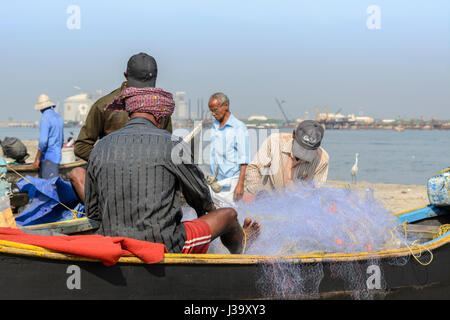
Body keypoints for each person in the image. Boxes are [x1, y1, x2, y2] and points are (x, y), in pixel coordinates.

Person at [84, 55, 260, 254]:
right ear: (160, 116)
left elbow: (92, 211)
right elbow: (201, 198)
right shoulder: (172, 145)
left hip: (112, 240)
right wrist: (206, 211)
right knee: (228, 215)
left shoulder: (100, 148)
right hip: (166, 243)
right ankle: (241, 248)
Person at [69, 52, 172, 203]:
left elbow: (167, 145)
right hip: (112, 176)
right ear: (125, 76)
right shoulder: (104, 106)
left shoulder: (160, 107)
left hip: (149, 177)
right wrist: (112, 159)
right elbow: (81, 146)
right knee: (77, 174)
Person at [244, 120, 329, 199]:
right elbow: (253, 168)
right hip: (263, 196)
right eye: (300, 148)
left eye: (308, 150)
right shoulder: (274, 141)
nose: (303, 153)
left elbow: (317, 191)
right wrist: (255, 191)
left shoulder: (322, 159)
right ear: (293, 134)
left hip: (296, 203)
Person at [207, 92, 249, 205]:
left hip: (231, 183)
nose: (213, 114)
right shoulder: (215, 126)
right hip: (215, 181)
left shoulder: (239, 127)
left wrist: (240, 185)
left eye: (215, 110)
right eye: (211, 111)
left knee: (230, 216)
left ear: (225, 106)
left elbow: (244, 159)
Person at [32, 94, 64, 179]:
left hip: (48, 157)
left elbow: (43, 142)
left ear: (41, 108)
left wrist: (37, 159)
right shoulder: (58, 117)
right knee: (53, 182)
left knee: (47, 186)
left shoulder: (45, 118)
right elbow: (61, 140)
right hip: (57, 156)